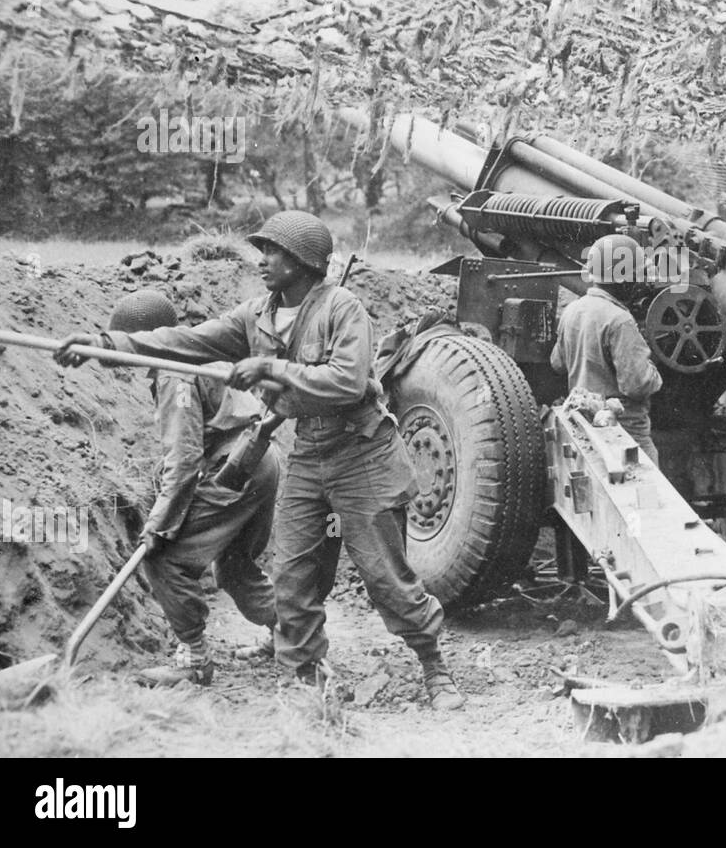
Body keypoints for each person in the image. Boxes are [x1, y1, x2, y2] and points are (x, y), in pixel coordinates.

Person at [54, 210, 465, 711]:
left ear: (302, 261)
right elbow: (186, 341)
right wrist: (107, 345)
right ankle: (303, 682)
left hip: (365, 455)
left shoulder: (342, 307)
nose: (262, 260)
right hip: (310, 454)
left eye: (272, 251)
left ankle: (433, 668)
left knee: (385, 577)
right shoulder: (256, 315)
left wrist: (272, 367)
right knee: (294, 577)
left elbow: (348, 381)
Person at [108, 290, 280, 687]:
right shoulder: (196, 354)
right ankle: (293, 631)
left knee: (164, 559)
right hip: (259, 460)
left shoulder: (173, 373)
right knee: (235, 567)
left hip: (235, 468)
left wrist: (159, 524)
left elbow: (183, 462)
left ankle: (194, 658)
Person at [551, 233, 663, 465]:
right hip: (625, 430)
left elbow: (558, 363)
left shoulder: (572, 310)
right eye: (636, 275)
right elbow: (638, 384)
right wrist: (652, 364)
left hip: (584, 422)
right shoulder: (620, 320)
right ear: (623, 279)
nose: (639, 282)